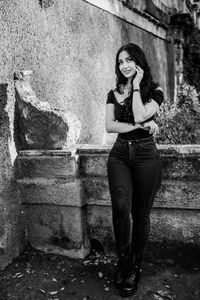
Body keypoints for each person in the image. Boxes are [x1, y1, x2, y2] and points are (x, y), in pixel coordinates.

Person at [105, 43, 164, 297]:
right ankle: (123, 260)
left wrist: (138, 86)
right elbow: (109, 126)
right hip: (119, 155)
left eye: (129, 60)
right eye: (120, 62)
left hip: (145, 156)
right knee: (120, 208)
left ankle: (134, 268)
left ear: (138, 62)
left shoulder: (156, 91)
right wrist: (139, 125)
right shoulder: (113, 92)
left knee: (141, 214)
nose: (124, 65)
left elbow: (140, 114)